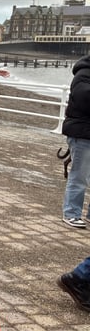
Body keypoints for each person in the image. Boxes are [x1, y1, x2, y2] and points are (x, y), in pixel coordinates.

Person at [60, 55, 90, 229]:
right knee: (79, 175)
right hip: (82, 133)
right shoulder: (84, 73)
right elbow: (83, 98)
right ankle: (71, 213)